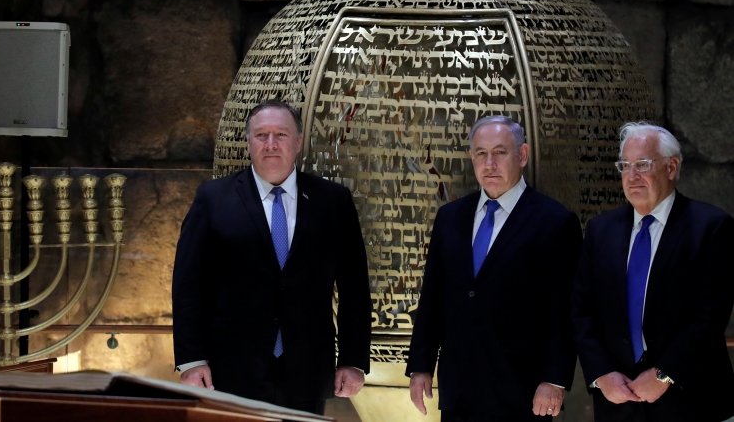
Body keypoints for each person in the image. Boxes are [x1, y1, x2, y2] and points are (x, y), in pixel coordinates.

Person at [172, 99, 371, 415]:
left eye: (280, 134)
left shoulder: (332, 201)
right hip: (231, 371)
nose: (271, 144)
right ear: (249, 142)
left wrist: (353, 359)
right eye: (261, 135)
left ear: (298, 141)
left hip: (307, 369)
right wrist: (192, 359)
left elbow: (354, 290)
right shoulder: (213, 199)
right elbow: (188, 285)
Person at [407, 115, 583, 421]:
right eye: (481, 153)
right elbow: (433, 298)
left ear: (522, 155)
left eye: (500, 152)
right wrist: (421, 365)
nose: (490, 164)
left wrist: (554, 380)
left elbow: (564, 312)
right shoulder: (450, 218)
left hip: (523, 393)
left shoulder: (555, 222)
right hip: (458, 392)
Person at [572, 122, 734, 422]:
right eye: (625, 166)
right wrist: (602, 374)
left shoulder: (711, 227)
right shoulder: (600, 231)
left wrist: (664, 374)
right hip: (618, 403)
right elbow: (581, 310)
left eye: (643, 165)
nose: (631, 176)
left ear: (671, 168)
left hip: (692, 402)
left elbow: (709, 316)